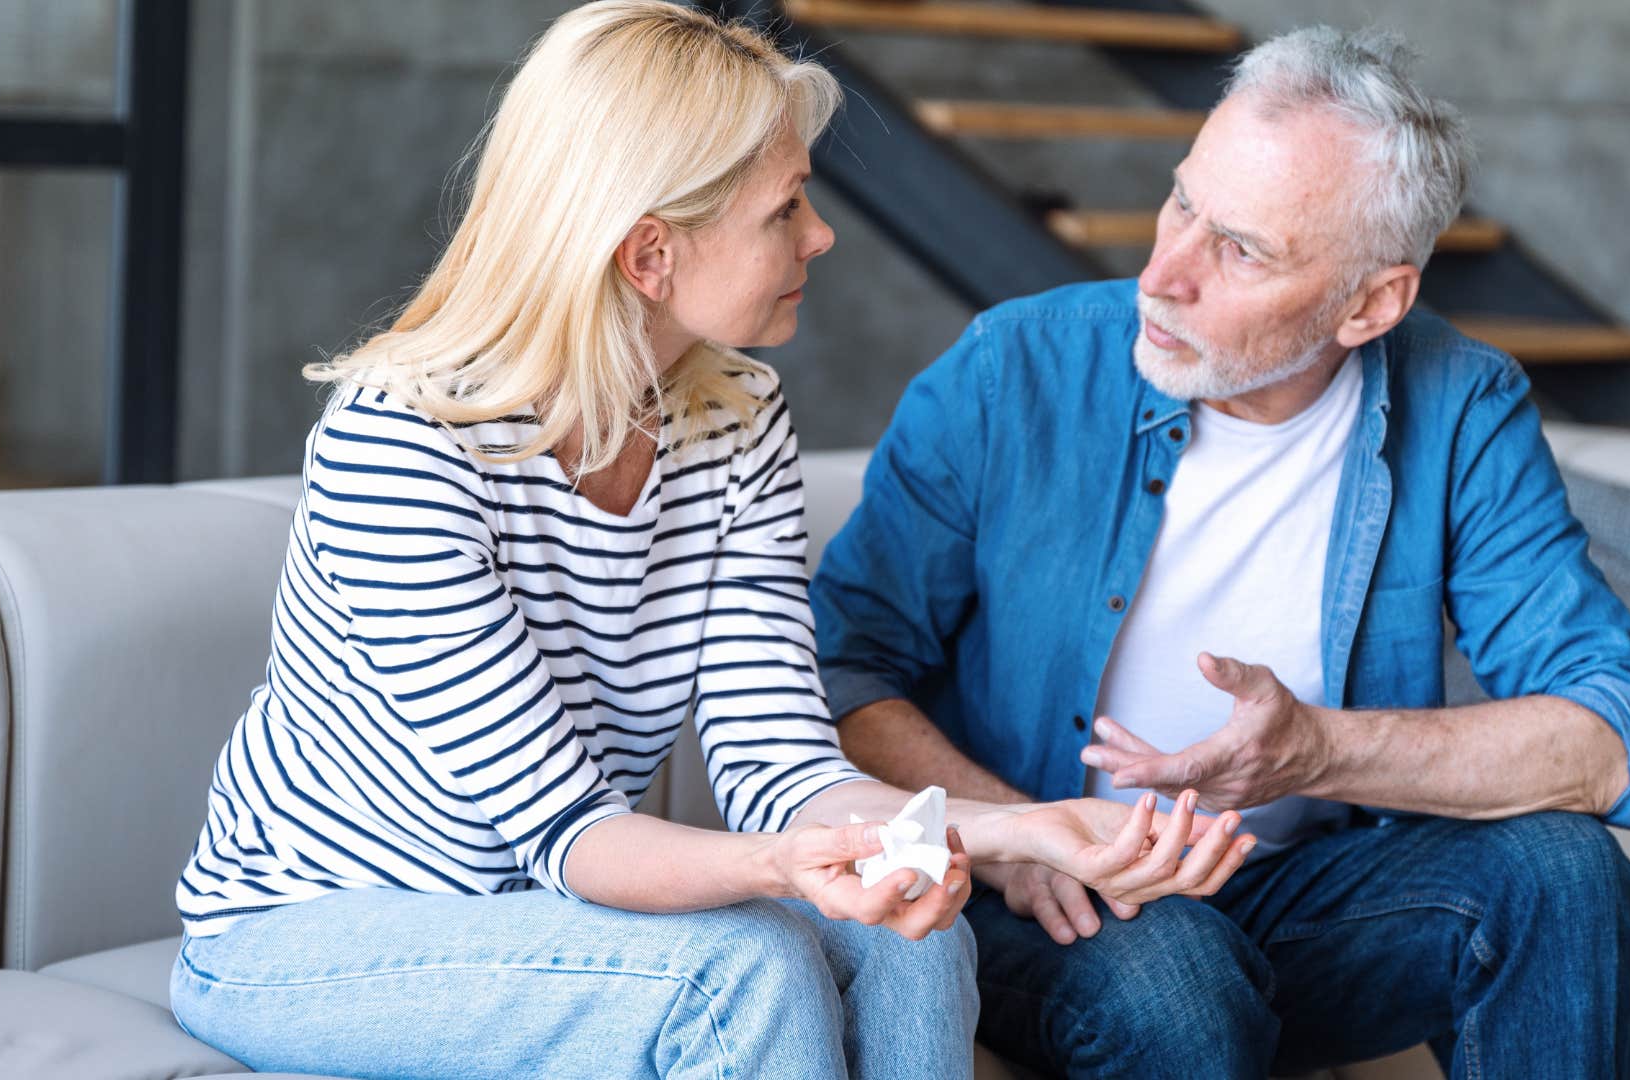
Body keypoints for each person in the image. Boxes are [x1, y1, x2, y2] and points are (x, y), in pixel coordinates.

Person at [169, 4, 1252, 1078]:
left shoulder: (734, 421)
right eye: (785, 208)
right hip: (305, 935)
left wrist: (1029, 831)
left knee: (913, 928)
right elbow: (567, 835)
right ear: (651, 253)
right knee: (739, 971)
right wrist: (792, 870)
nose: (820, 234)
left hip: (547, 914)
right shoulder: (402, 444)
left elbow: (780, 761)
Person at [810, 26, 1630, 1080]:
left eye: (1241, 249)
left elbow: (1610, 737)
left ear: (1372, 304)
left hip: (1299, 889)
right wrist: (1024, 835)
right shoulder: (1013, 367)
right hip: (1037, 890)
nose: (1162, 275)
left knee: (1563, 873)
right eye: (1182, 204)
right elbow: (842, 667)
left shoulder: (1463, 404)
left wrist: (1316, 751)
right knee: (1173, 977)